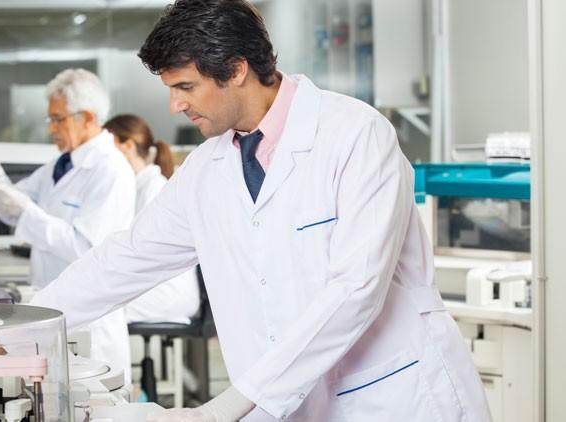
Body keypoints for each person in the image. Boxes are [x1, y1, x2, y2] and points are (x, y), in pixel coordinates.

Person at [32, 1, 491, 421]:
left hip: (393, 398)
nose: (175, 105)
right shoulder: (207, 169)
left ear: (236, 69)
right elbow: (125, 259)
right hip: (284, 405)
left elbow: (356, 289)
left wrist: (229, 405)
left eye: (185, 87)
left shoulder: (355, 135)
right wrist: (24, 326)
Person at [0, 68, 136, 384]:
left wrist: (27, 211)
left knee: (89, 400)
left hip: (89, 320)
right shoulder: (60, 164)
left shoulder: (110, 170)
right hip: (51, 307)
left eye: (58, 119)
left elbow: (85, 247)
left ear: (87, 118)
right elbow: (14, 209)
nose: (50, 129)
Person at [104, 114, 200, 325]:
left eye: (106, 147)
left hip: (170, 293)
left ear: (128, 146)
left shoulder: (154, 188)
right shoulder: (134, 188)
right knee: (95, 301)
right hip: (152, 286)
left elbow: (143, 252)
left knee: (101, 310)